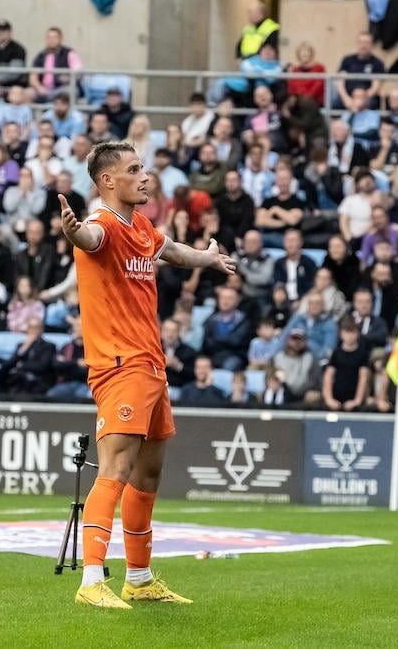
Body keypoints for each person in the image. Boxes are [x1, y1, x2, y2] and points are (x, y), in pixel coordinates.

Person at [57, 140, 235, 608]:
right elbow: (90, 240)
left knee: (149, 474)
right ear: (107, 181)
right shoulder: (102, 224)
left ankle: (138, 578)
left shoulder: (140, 225)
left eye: (144, 167)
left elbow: (172, 250)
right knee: (115, 468)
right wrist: (73, 234)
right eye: (134, 169)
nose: (145, 175)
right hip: (121, 364)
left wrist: (209, 258)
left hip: (152, 364)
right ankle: (92, 580)